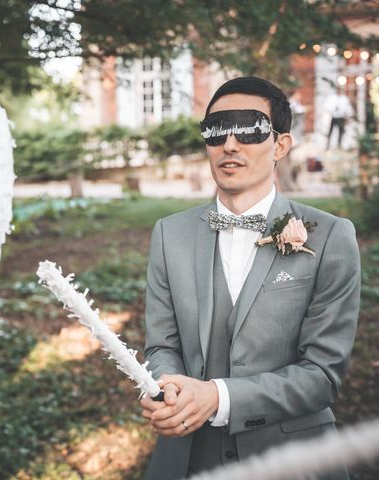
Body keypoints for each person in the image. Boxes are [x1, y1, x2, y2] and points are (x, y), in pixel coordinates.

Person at [140, 77, 360, 480]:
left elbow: (322, 375)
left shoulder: (330, 236)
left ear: (280, 145)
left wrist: (218, 397)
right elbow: (161, 345)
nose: (229, 144)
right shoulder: (169, 234)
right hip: (187, 459)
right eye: (216, 130)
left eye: (249, 128)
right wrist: (167, 388)